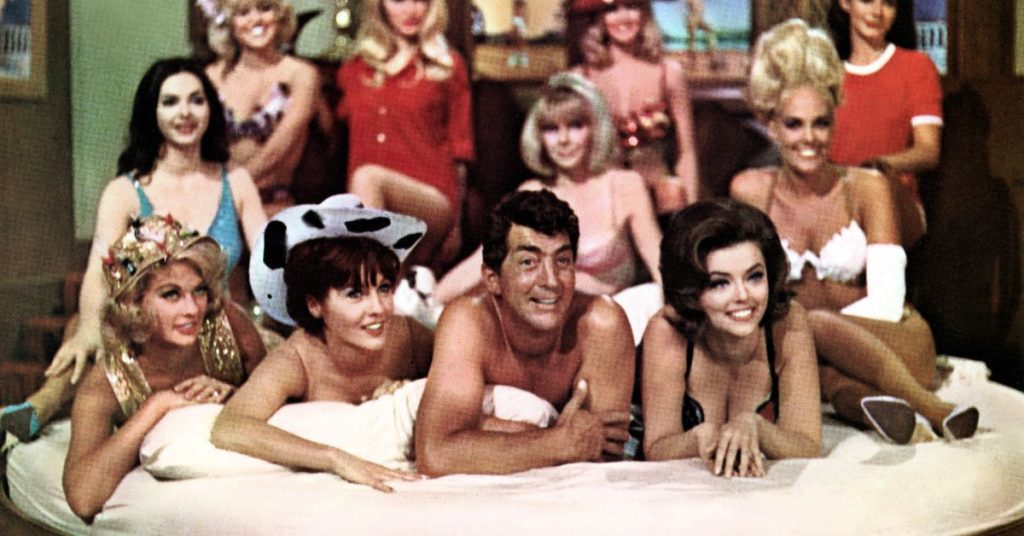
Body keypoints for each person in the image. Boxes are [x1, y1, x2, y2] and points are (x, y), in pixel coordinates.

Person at [731, 19, 977, 445]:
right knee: (814, 358)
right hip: (800, 355)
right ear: (771, 126)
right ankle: (872, 409)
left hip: (895, 343)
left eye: (821, 123)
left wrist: (814, 332)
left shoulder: (868, 187)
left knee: (810, 324)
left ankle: (930, 406)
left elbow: (887, 300)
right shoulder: (750, 191)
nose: (810, 138)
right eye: (794, 124)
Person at [1, 58, 267, 444]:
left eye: (196, 100)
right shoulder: (126, 190)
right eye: (170, 102)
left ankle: (49, 403)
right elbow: (100, 271)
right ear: (152, 112)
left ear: (210, 108)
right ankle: (39, 406)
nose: (185, 112)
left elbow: (267, 262)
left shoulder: (236, 181)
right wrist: (88, 329)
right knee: (86, 324)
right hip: (150, 331)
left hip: (215, 327)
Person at [211, 195, 433, 492]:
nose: (378, 308)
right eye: (355, 294)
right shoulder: (297, 359)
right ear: (315, 304)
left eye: (383, 288)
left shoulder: (408, 336)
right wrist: (333, 458)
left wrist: (415, 388)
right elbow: (229, 426)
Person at [415, 190, 635, 476]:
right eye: (529, 262)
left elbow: (602, 455)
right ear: (493, 280)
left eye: (562, 261)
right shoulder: (468, 322)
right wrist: (558, 442)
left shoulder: (601, 323)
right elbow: (436, 454)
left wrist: (491, 431)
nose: (551, 281)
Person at [62, 216, 265, 520]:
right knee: (69, 363)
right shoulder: (106, 381)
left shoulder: (229, 324)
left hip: (269, 341)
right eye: (171, 294)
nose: (192, 309)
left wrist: (236, 396)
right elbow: (83, 499)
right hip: (105, 356)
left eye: (199, 290)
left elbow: (292, 401)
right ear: (134, 303)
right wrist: (157, 406)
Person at [433, 72, 661, 303]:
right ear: (538, 136)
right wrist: (432, 302)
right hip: (551, 315)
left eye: (575, 125)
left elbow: (659, 263)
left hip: (616, 313)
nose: (563, 139)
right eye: (551, 129)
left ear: (595, 128)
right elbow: (482, 262)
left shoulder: (625, 185)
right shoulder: (532, 193)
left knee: (651, 296)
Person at [641, 199, 821, 477]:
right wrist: (700, 436)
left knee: (828, 331)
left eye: (754, 277)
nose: (743, 295)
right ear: (691, 292)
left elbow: (808, 443)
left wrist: (756, 427)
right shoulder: (667, 330)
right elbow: (656, 447)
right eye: (720, 283)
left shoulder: (788, 322)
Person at [336, 0, 473, 268]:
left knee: (367, 177)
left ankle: (368, 284)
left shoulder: (448, 66)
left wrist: (456, 224)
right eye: (398, 0)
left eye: (420, 0)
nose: (411, 10)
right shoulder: (355, 69)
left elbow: (461, 150)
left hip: (431, 200)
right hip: (366, 205)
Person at [568, 0, 700, 217]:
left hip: (660, 197)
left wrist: (693, 217)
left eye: (631, 6)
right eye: (611, 9)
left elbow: (687, 152)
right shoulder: (580, 78)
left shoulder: (669, 73)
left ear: (645, 12)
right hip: (604, 196)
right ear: (598, 18)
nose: (623, 17)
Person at [827, 0, 941, 248]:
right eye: (867, 1)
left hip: (895, 200)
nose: (877, 12)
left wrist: (878, 167)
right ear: (845, 3)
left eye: (888, 3)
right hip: (835, 200)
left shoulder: (916, 67)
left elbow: (928, 151)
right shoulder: (826, 73)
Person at [201, 0, 321, 217]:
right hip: (217, 205)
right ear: (228, 22)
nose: (256, 20)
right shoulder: (212, 76)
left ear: (280, 14)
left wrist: (228, 191)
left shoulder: (302, 74)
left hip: (273, 207)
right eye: (243, 13)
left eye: (265, 8)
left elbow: (278, 150)